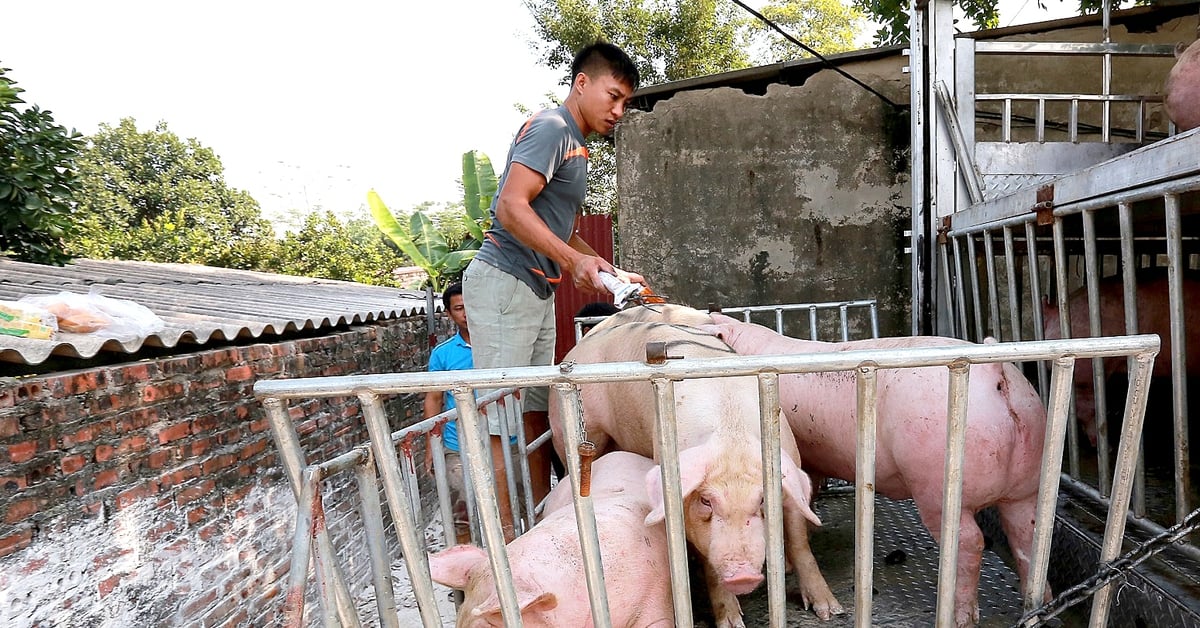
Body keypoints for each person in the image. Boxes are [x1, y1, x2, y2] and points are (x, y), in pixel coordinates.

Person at [463, 41, 646, 506]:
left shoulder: (576, 147)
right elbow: (510, 206)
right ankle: (504, 539)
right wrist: (572, 261)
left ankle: (541, 519)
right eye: (613, 95)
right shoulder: (551, 128)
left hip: (534, 288)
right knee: (499, 416)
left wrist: (606, 267)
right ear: (581, 83)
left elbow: (560, 230)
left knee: (534, 410)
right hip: (506, 280)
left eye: (625, 101)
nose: (619, 110)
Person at [422, 282, 517, 543]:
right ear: (449, 314)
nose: (467, 313)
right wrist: (431, 445)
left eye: (471, 306)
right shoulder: (443, 354)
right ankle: (465, 575)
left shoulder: (505, 345)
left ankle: (511, 566)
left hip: (504, 439)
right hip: (457, 443)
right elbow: (433, 398)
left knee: (511, 509)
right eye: (460, 308)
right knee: (461, 513)